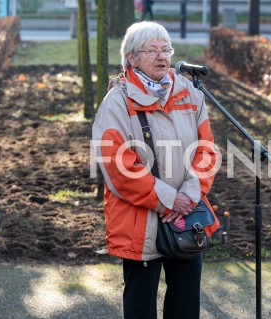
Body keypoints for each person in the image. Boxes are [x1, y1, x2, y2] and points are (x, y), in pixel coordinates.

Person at [92, 21, 219, 319]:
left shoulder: (188, 92)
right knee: (140, 305)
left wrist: (188, 195)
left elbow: (207, 150)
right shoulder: (116, 103)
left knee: (186, 305)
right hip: (140, 220)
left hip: (186, 218)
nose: (163, 57)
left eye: (166, 49)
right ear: (131, 59)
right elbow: (119, 167)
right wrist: (167, 200)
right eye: (152, 50)